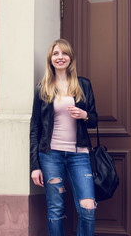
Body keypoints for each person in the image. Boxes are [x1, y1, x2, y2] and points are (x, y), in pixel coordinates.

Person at [29, 38, 98, 236]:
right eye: (56, 54)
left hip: (79, 155)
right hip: (51, 155)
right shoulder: (42, 88)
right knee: (56, 210)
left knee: (88, 207)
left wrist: (84, 115)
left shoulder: (83, 85)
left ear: (71, 58)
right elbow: (35, 128)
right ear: (51, 59)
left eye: (64, 53)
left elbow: (94, 120)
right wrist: (35, 166)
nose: (60, 57)